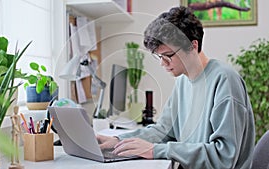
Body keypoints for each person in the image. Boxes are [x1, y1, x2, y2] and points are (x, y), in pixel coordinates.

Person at [97, 6, 255, 169]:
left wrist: (156, 150)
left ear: (193, 45)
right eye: (159, 56)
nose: (162, 63)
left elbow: (224, 157)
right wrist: (118, 141)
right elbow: (164, 130)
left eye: (168, 56)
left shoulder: (224, 81)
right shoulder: (183, 80)